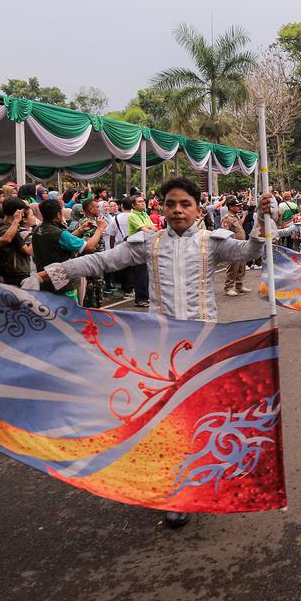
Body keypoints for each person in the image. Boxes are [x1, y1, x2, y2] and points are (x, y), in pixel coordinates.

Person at [24, 176, 275, 529]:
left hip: (204, 343)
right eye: (170, 204)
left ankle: (203, 479)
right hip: (160, 348)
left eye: (185, 204)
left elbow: (249, 252)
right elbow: (101, 262)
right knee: (167, 421)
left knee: (200, 416)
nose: (177, 210)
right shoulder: (148, 243)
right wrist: (48, 276)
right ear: (161, 208)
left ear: (197, 208)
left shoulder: (211, 242)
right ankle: (176, 494)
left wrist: (262, 220)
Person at [32, 198, 105, 299]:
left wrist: (80, 229)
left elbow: (64, 240)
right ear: (58, 214)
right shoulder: (58, 233)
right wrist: (100, 229)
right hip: (62, 282)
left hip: (45, 280)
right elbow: (88, 247)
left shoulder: (37, 229)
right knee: (68, 311)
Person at [0, 198, 35, 287]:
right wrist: (36, 236)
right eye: (22, 211)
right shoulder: (11, 230)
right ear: (17, 212)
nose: (23, 214)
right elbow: (28, 251)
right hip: (17, 272)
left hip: (6, 270)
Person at [124, 195, 154, 308]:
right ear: (133, 205)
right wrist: (149, 228)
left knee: (146, 274)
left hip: (146, 246)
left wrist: (150, 228)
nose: (143, 203)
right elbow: (145, 229)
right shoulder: (132, 216)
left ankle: (146, 297)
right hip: (136, 248)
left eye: (143, 201)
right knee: (140, 274)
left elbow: (154, 228)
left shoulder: (144, 214)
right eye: (140, 202)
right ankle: (140, 299)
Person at [220, 197, 251, 297]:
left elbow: (239, 227)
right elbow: (225, 233)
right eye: (237, 206)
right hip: (233, 246)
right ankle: (228, 287)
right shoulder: (227, 218)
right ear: (231, 207)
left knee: (241, 266)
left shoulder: (236, 216)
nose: (239, 207)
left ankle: (239, 285)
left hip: (241, 245)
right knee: (233, 267)